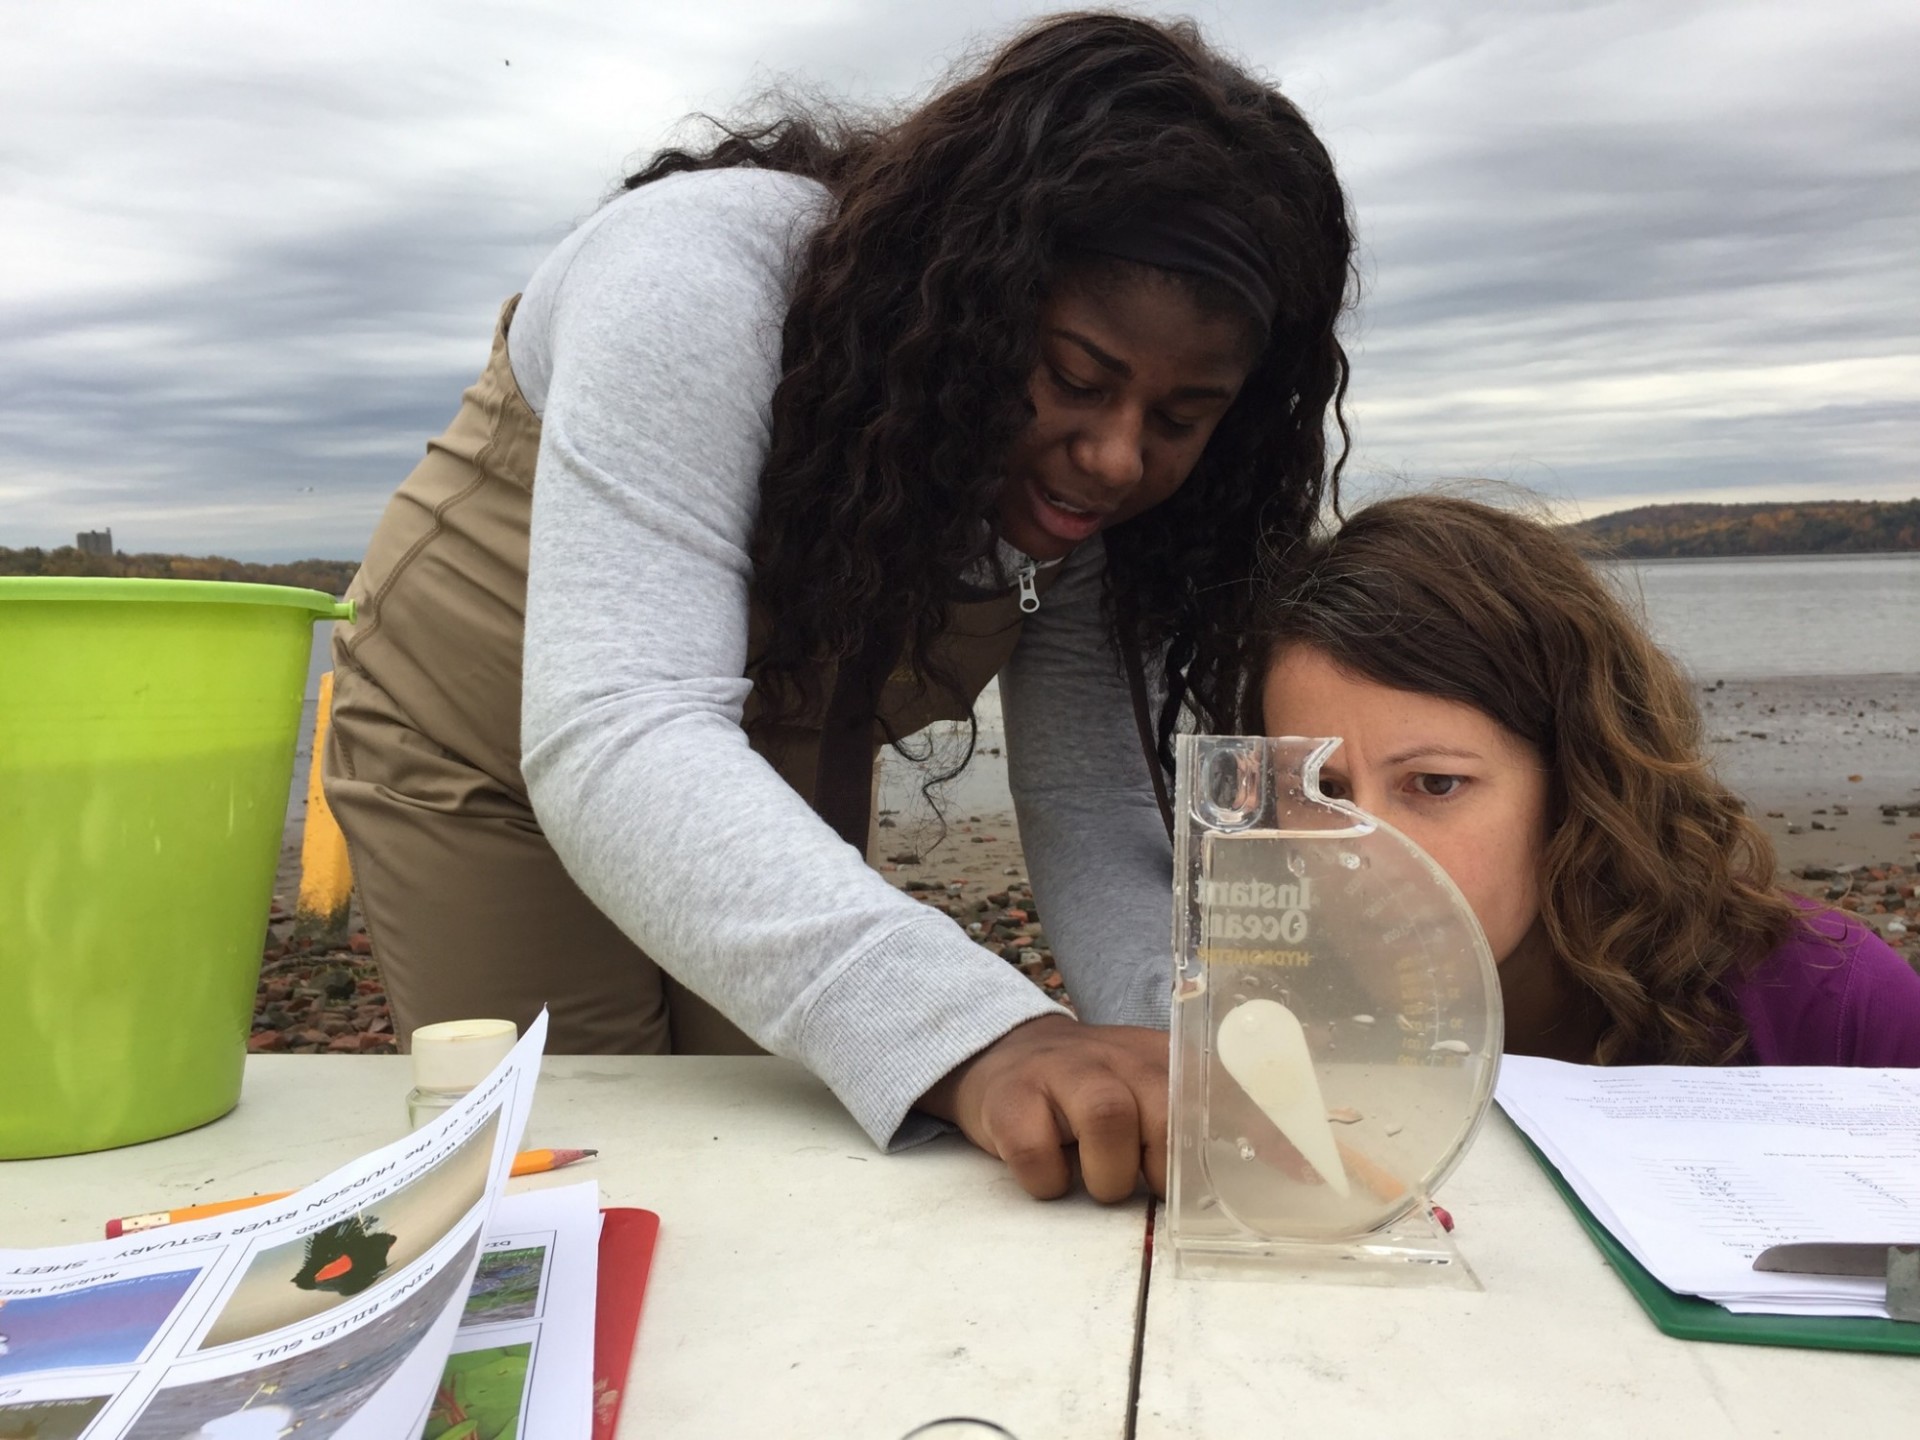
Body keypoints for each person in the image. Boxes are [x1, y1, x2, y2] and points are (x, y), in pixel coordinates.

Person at [323, 12, 1356, 1200]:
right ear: (974, 296)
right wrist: (992, 1034)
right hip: (492, 740)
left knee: (791, 1157)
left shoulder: (1107, 503)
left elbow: (1086, 797)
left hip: (764, 751)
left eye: (1181, 419)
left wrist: (1206, 1065)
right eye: (1075, 380)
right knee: (588, 1152)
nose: (1118, 459)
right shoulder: (694, 277)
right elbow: (619, 727)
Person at [1252, 494, 1920, 1067]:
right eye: (1323, 793)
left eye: (1434, 785)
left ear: (1575, 784)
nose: (1362, 856)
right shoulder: (1241, 1019)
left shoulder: (1831, 1008)